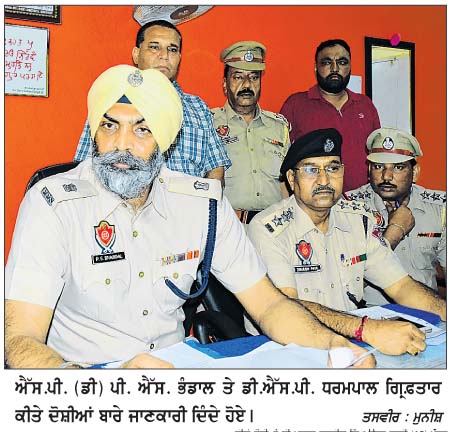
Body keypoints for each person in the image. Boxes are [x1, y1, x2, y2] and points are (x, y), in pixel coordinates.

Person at [5, 65, 373, 369]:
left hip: (177, 372)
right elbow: (19, 338)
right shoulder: (52, 204)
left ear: (166, 140)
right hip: (86, 375)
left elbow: (269, 304)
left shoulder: (202, 204)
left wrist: (336, 346)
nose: (121, 144)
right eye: (109, 125)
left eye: (142, 129)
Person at [248, 128, 446, 356]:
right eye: (311, 170)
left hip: (349, 341)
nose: (324, 180)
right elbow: (285, 306)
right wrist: (366, 329)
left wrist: (444, 310)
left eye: (332, 168)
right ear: (292, 179)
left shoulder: (358, 219)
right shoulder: (268, 228)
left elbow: (402, 286)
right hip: (285, 348)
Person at [74, 19, 230, 186]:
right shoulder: (112, 101)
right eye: (154, 47)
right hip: (125, 199)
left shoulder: (197, 107)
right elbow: (85, 167)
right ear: (136, 54)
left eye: (172, 49)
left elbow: (216, 168)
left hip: (187, 200)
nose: (164, 56)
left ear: (179, 58)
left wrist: (207, 200)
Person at [346, 127, 446, 303]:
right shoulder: (348, 208)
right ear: (368, 170)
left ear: (415, 172)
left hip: (425, 311)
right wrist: (394, 232)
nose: (386, 176)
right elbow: (347, 283)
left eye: (398, 167)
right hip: (370, 312)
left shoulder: (439, 208)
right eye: (378, 167)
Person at [280, 39, 380, 191]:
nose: (335, 68)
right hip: (314, 198)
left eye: (342, 62)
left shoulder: (365, 105)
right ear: (316, 68)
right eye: (327, 62)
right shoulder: (296, 105)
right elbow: (280, 159)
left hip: (362, 200)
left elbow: (378, 155)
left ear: (350, 67)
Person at [211, 41, 290, 224]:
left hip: (274, 228)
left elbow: (286, 183)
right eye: (238, 77)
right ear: (225, 84)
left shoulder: (279, 127)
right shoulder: (209, 124)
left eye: (254, 77)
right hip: (229, 227)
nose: (247, 84)